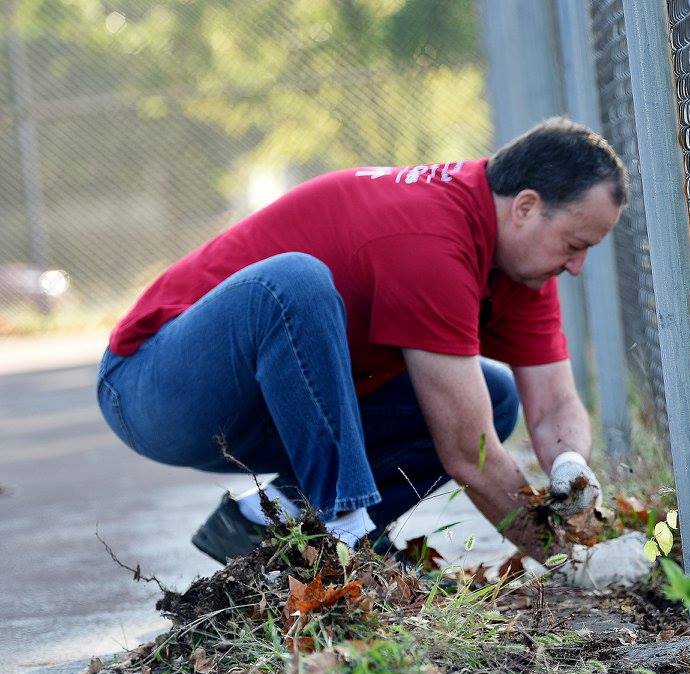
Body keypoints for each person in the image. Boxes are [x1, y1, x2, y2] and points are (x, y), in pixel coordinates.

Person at [96, 117, 627, 565]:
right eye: (575, 245)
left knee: (496, 397)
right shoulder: (432, 237)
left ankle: (267, 524)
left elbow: (555, 403)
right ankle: (348, 541)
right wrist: (573, 559)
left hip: (273, 410)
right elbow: (470, 452)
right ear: (526, 207)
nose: (577, 267)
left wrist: (570, 467)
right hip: (155, 388)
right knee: (294, 282)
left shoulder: (523, 266)